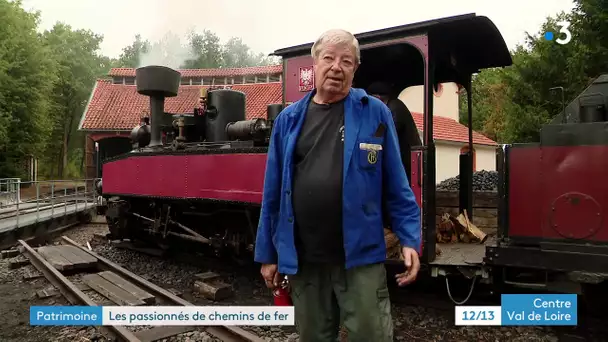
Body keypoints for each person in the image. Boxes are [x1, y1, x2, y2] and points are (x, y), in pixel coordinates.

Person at [254, 29, 421, 342]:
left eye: (346, 61)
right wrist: (269, 254)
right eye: (329, 58)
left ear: (355, 69)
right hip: (305, 260)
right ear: (315, 63)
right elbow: (273, 193)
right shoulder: (289, 119)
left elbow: (397, 185)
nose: (336, 66)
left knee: (371, 335)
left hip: (360, 258)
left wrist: (410, 238)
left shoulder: (375, 113)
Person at [367, 81, 422, 184]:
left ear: (377, 98)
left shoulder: (394, 108)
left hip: (406, 164)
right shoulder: (391, 106)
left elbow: (381, 133)